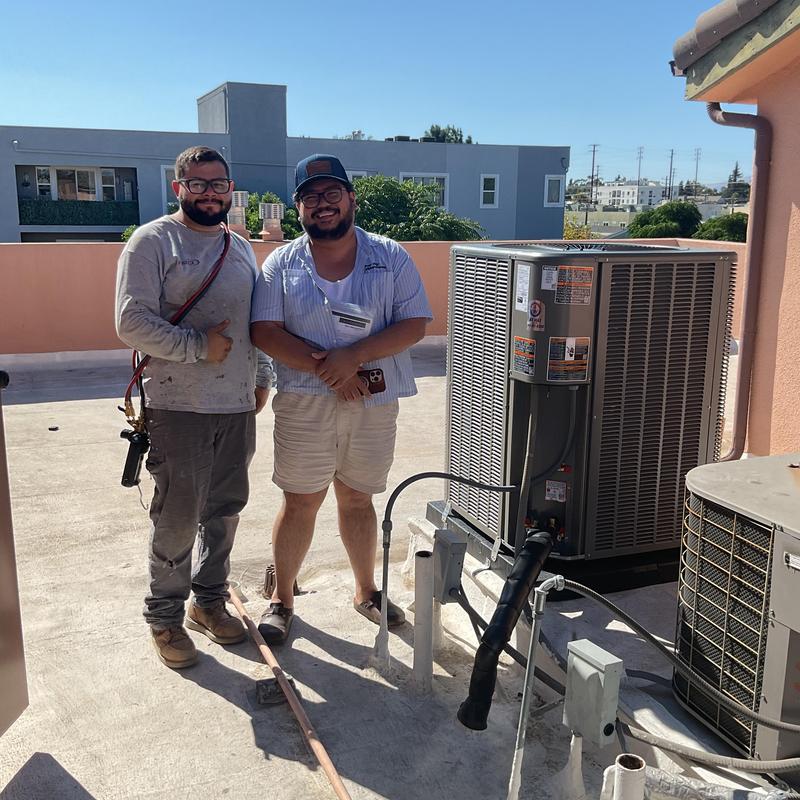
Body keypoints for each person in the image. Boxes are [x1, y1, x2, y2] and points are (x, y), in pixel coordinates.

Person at [250, 154, 432, 644]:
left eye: (332, 193)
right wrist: (328, 368)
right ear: (298, 208)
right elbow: (264, 331)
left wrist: (354, 356)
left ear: (351, 198)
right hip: (304, 401)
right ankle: (282, 599)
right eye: (310, 197)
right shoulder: (281, 264)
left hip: (373, 400)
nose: (322, 204)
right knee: (300, 499)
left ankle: (366, 590)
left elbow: (414, 323)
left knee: (357, 496)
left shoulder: (391, 256)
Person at [115, 145, 274, 669]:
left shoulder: (239, 246)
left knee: (225, 510)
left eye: (218, 184)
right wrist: (197, 347)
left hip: (235, 406)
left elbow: (252, 321)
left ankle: (209, 602)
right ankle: (164, 616)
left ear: (231, 190)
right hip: (179, 406)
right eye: (198, 184)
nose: (210, 193)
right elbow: (131, 323)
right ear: (178, 188)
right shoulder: (153, 241)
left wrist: (262, 375)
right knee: (179, 516)